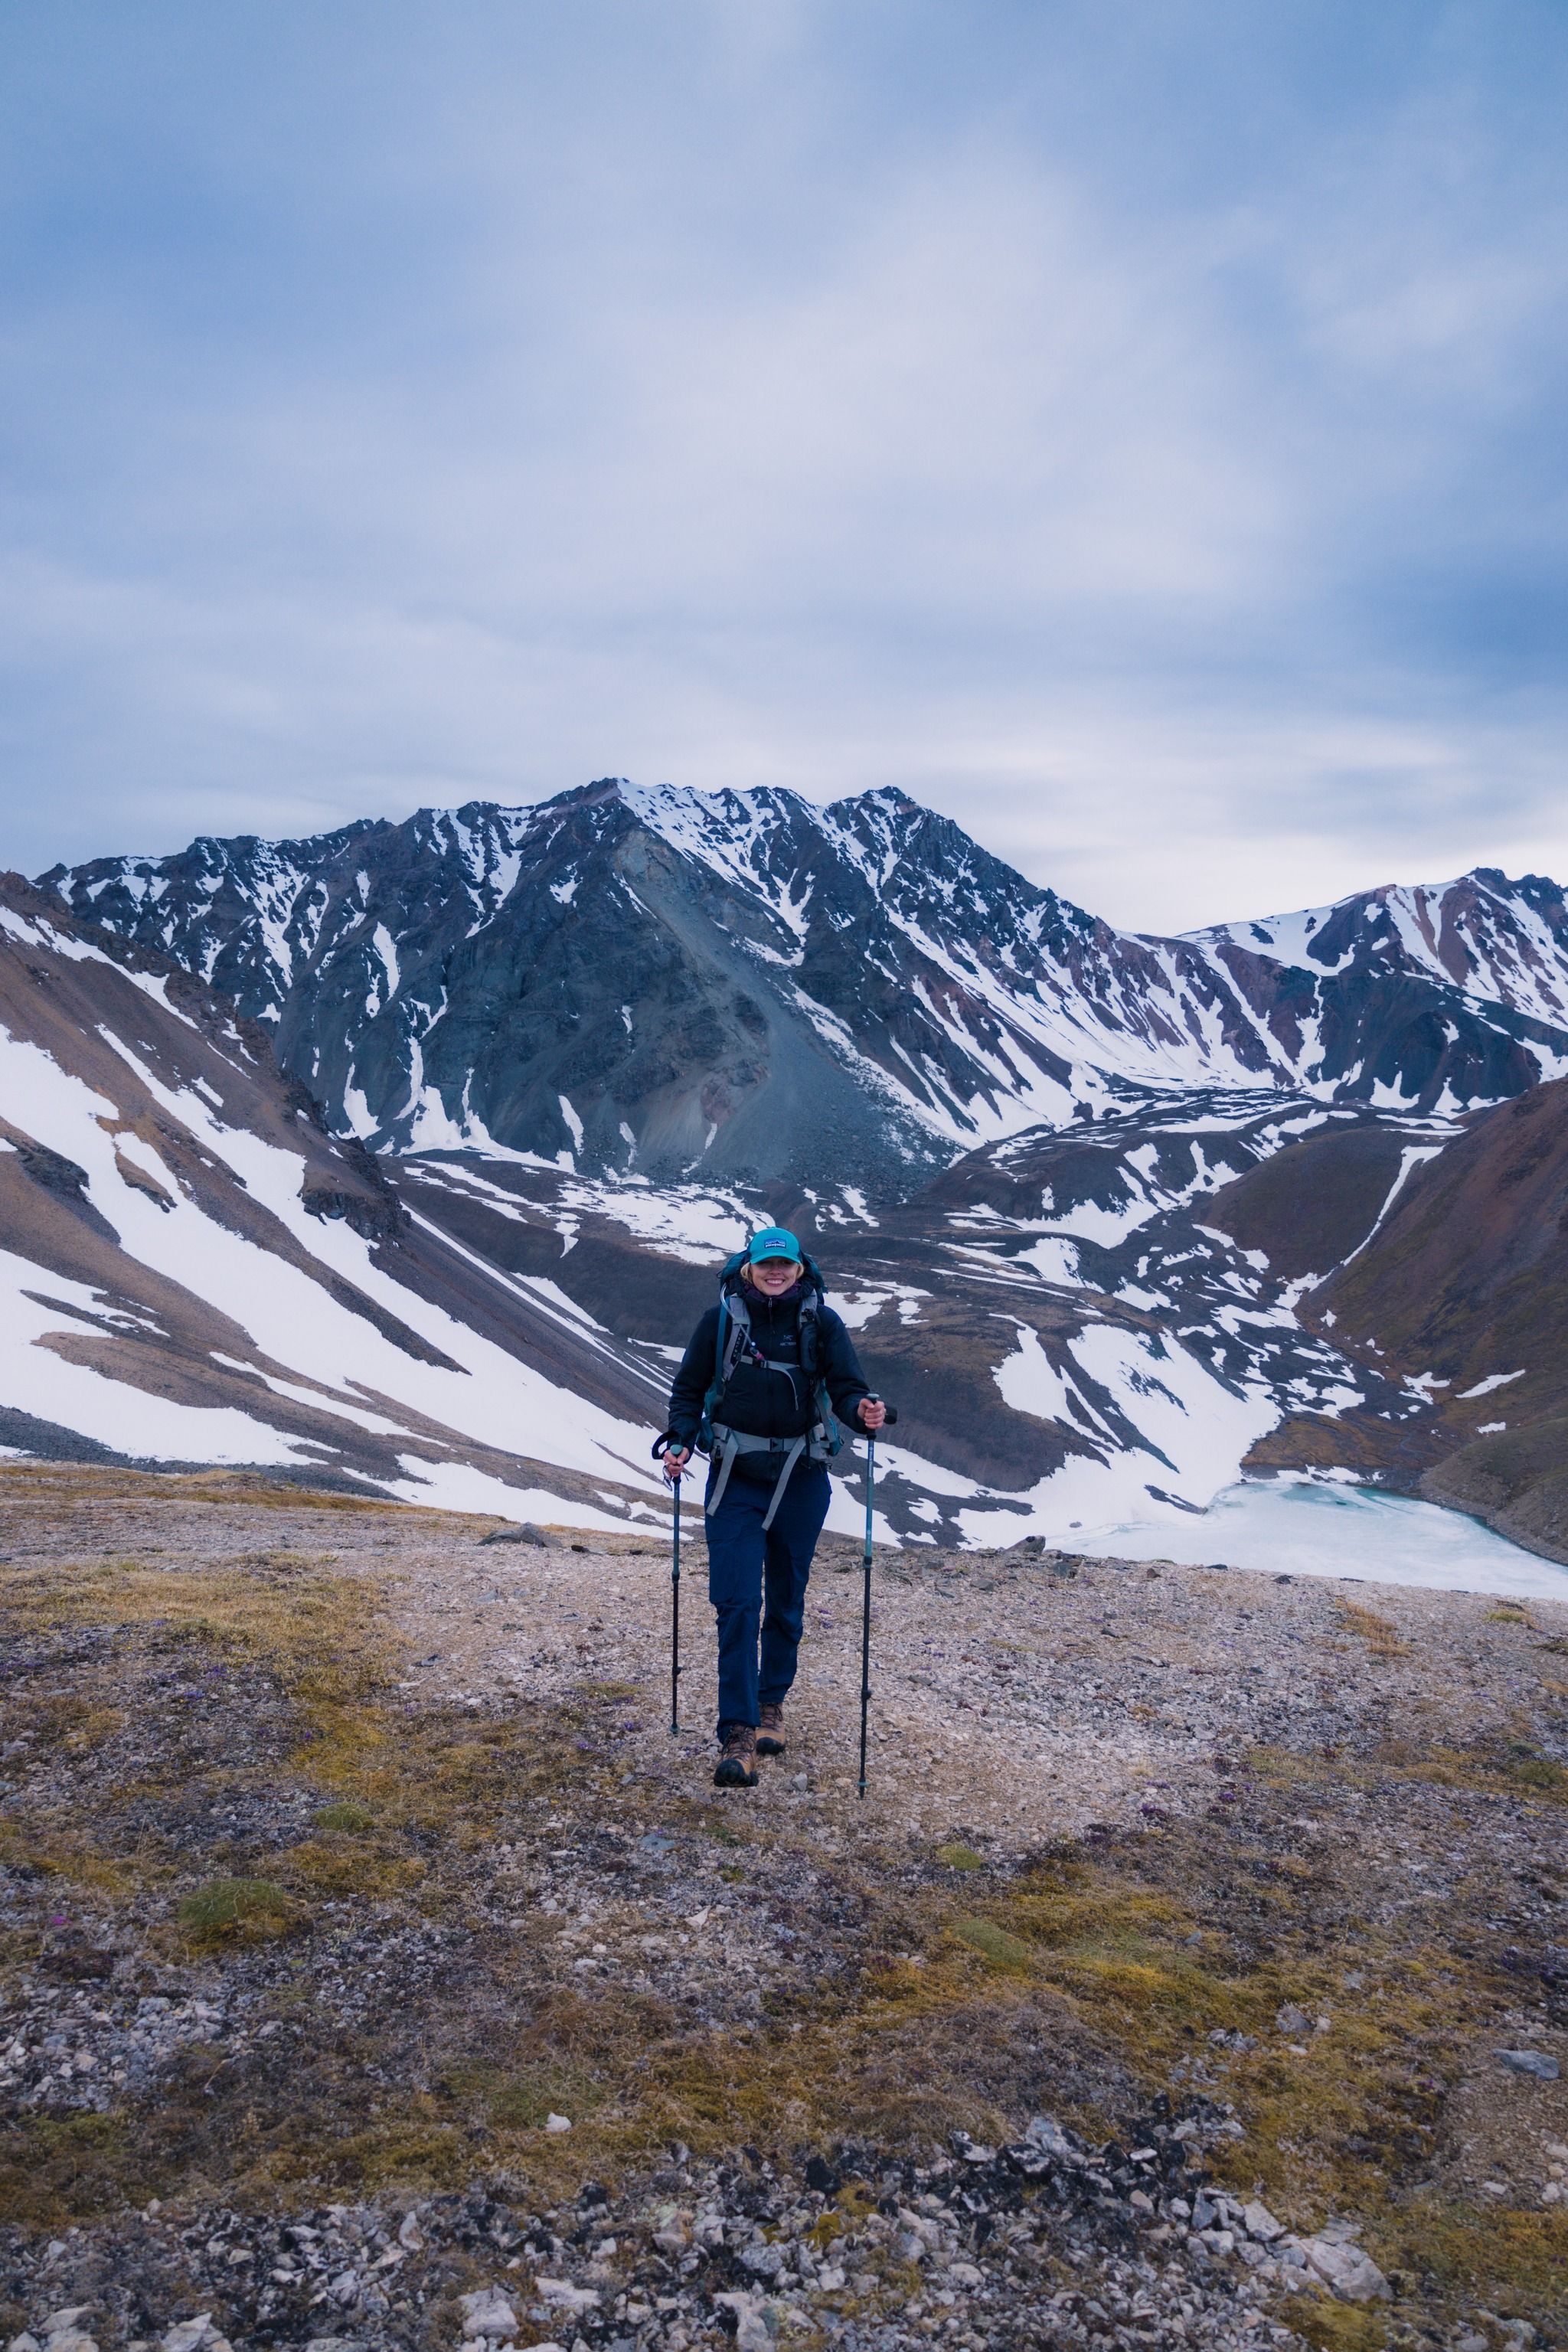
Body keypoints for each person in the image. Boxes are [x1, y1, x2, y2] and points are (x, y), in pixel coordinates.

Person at [661, 1227, 887, 1788]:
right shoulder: (720, 1322)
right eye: (767, 1264)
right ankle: (737, 1734)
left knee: (786, 1599)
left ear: (800, 1269)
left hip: (801, 1480)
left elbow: (846, 1389)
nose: (777, 1271)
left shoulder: (821, 1324)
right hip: (734, 1479)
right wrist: (682, 1437)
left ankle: (770, 1709)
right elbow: (688, 1390)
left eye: (786, 1264)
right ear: (749, 1269)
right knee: (736, 1602)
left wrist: (865, 1413)